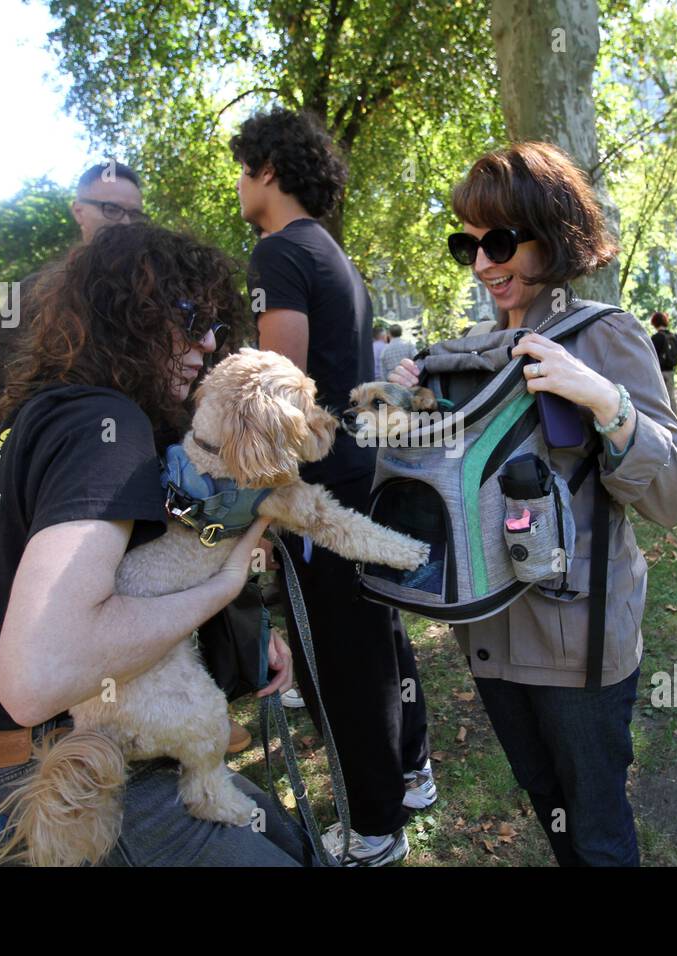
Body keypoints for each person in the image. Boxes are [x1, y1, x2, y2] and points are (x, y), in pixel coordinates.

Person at [390, 142, 677, 866]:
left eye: (499, 241)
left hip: (579, 653)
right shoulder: (471, 351)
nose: (481, 263)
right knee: (550, 811)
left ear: (552, 236)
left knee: (596, 833)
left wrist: (602, 398)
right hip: (490, 636)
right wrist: (409, 410)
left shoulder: (606, 335)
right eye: (465, 244)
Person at [0, 223, 303, 866]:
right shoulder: (105, 426)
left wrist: (243, 627)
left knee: (284, 837)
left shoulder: (47, 414)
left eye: (216, 322)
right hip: (90, 776)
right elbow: (38, 678)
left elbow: (120, 576)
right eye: (191, 317)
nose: (209, 341)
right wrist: (221, 591)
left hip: (39, 769)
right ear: (130, 316)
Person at [233, 106, 432, 865]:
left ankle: (375, 827)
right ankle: (410, 773)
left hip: (317, 494)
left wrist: (253, 494)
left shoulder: (279, 251)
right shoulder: (333, 254)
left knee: (336, 663)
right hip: (359, 475)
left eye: (245, 168)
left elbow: (279, 396)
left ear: (270, 170)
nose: (241, 185)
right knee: (376, 637)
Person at [0, 161, 147, 416]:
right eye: (112, 209)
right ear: (78, 211)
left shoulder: (153, 293)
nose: (126, 223)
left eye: (135, 215)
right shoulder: (28, 292)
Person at [649, 311, 677, 413]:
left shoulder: (656, 338)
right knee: (671, 397)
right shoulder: (675, 337)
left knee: (659, 399)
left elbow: (651, 356)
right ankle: (675, 422)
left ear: (654, 323)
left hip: (658, 372)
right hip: (670, 371)